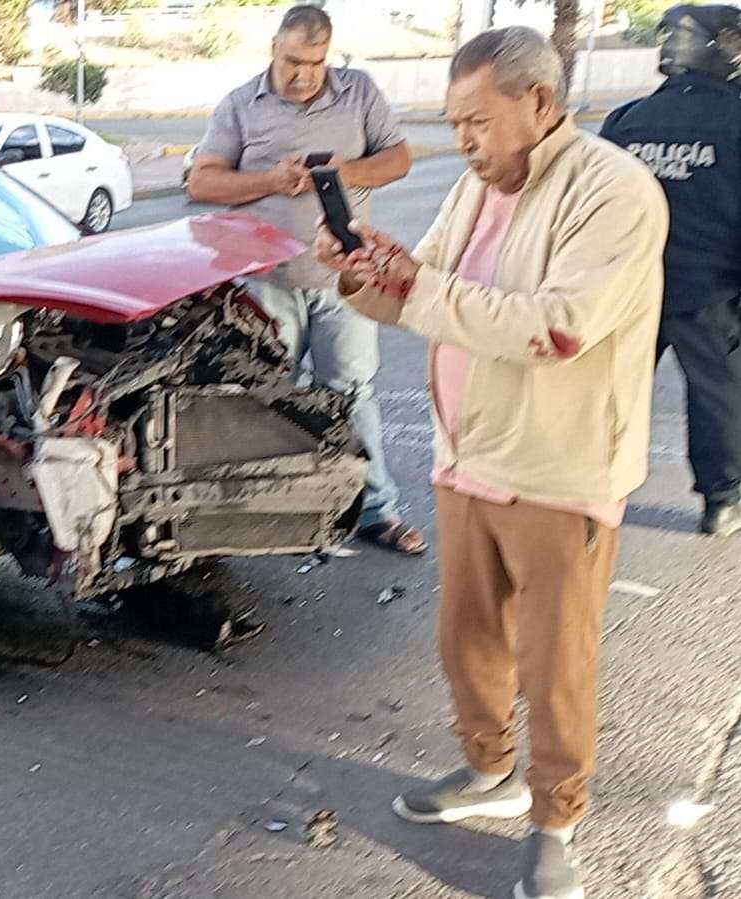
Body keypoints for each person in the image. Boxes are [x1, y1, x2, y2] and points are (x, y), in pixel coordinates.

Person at [314, 27, 667, 899]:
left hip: (558, 472)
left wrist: (417, 285)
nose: (463, 141)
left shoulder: (613, 189)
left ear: (539, 102)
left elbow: (556, 328)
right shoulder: (478, 187)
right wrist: (368, 270)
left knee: (554, 660)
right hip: (465, 454)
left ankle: (555, 816)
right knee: (467, 638)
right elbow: (425, 291)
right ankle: (488, 769)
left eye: (476, 121)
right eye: (453, 124)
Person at [188, 3, 424, 555]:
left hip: (345, 278)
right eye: (294, 61)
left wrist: (342, 173)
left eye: (316, 63)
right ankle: (280, 513)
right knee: (271, 396)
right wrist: (272, 180)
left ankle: (376, 509)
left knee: (353, 392)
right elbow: (203, 182)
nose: (304, 74)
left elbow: (399, 159)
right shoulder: (241, 104)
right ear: (275, 48)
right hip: (266, 282)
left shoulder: (359, 92)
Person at [600, 4, 741, 537]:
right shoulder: (736, 120)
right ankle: (722, 500)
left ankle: (589, 487)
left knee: (611, 391)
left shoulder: (626, 121)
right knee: (717, 394)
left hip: (629, 286)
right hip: (708, 291)